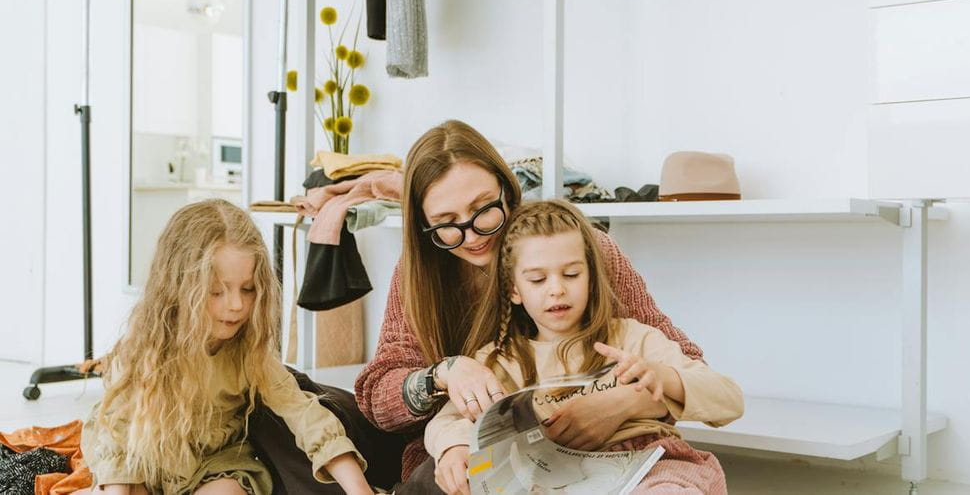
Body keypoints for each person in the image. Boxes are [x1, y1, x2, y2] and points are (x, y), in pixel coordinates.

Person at [354, 120, 707, 490]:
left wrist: (624, 404)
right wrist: (444, 374)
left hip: (597, 453)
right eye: (446, 223)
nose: (472, 234)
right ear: (423, 226)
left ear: (508, 189)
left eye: (482, 209)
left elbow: (686, 362)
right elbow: (378, 399)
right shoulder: (419, 274)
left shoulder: (582, 249)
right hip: (469, 455)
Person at [425, 199, 744, 494]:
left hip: (648, 466)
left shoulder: (633, 338)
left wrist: (662, 377)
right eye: (537, 280)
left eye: (572, 274)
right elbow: (448, 419)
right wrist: (453, 447)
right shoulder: (499, 360)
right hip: (552, 478)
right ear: (514, 290)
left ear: (592, 279)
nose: (557, 290)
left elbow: (729, 399)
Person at [80, 200, 373, 495]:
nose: (236, 305)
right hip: (143, 463)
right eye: (216, 291)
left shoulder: (248, 351)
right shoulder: (145, 346)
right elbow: (116, 437)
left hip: (215, 465)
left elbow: (305, 414)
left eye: (247, 289)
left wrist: (359, 490)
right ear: (179, 288)